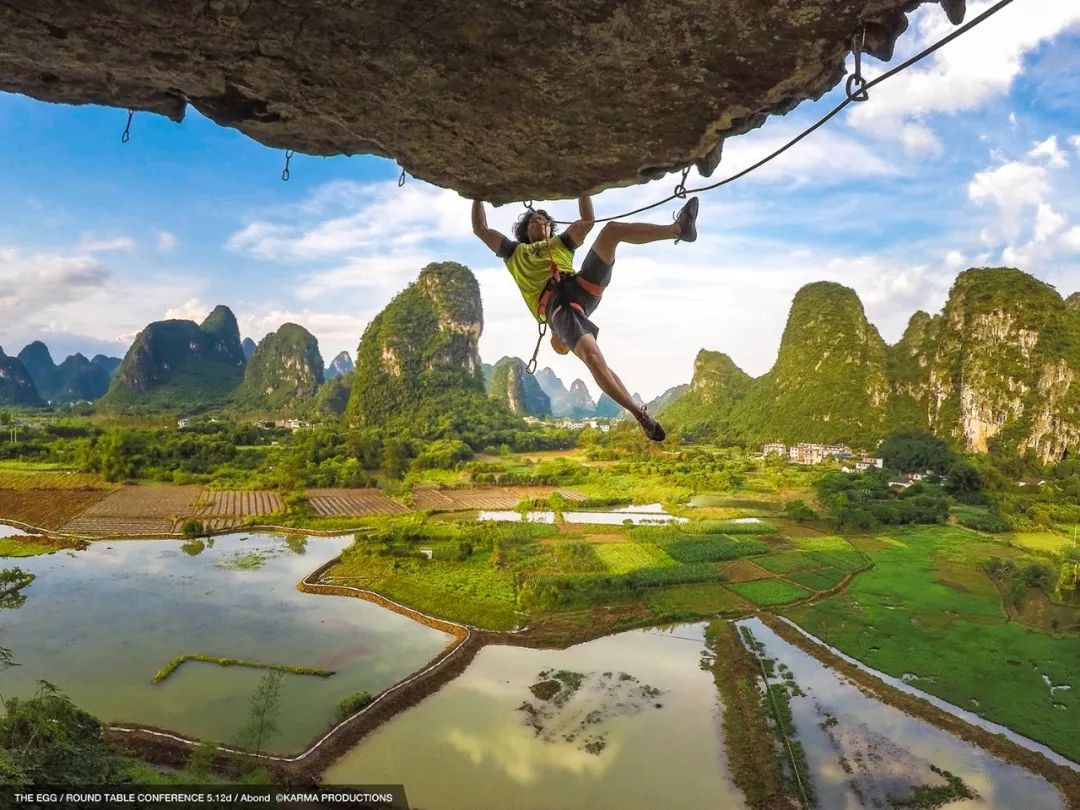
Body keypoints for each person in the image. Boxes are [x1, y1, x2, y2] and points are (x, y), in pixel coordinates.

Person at [471, 194, 699, 442]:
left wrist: (582, 187)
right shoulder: (513, 252)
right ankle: (640, 415)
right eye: (536, 221)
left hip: (580, 287)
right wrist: (478, 194)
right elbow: (481, 229)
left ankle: (678, 229)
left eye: (546, 220)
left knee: (610, 231)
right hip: (557, 306)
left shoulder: (562, 243)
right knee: (593, 358)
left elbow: (587, 220)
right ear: (526, 229)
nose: (543, 222)